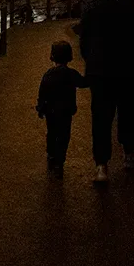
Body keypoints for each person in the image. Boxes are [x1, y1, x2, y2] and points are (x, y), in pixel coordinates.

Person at [75, 0, 134, 183]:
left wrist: (91, 61)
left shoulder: (91, 4)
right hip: (129, 68)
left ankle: (101, 166)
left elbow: (84, 38)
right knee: (128, 110)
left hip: (101, 70)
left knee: (101, 116)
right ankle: (128, 154)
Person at [36, 40, 88, 178]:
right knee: (64, 135)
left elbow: (42, 92)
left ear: (52, 56)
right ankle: (60, 161)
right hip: (65, 111)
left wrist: (40, 108)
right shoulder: (71, 74)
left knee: (52, 132)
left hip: (51, 111)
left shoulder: (48, 74)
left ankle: (51, 154)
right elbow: (83, 83)